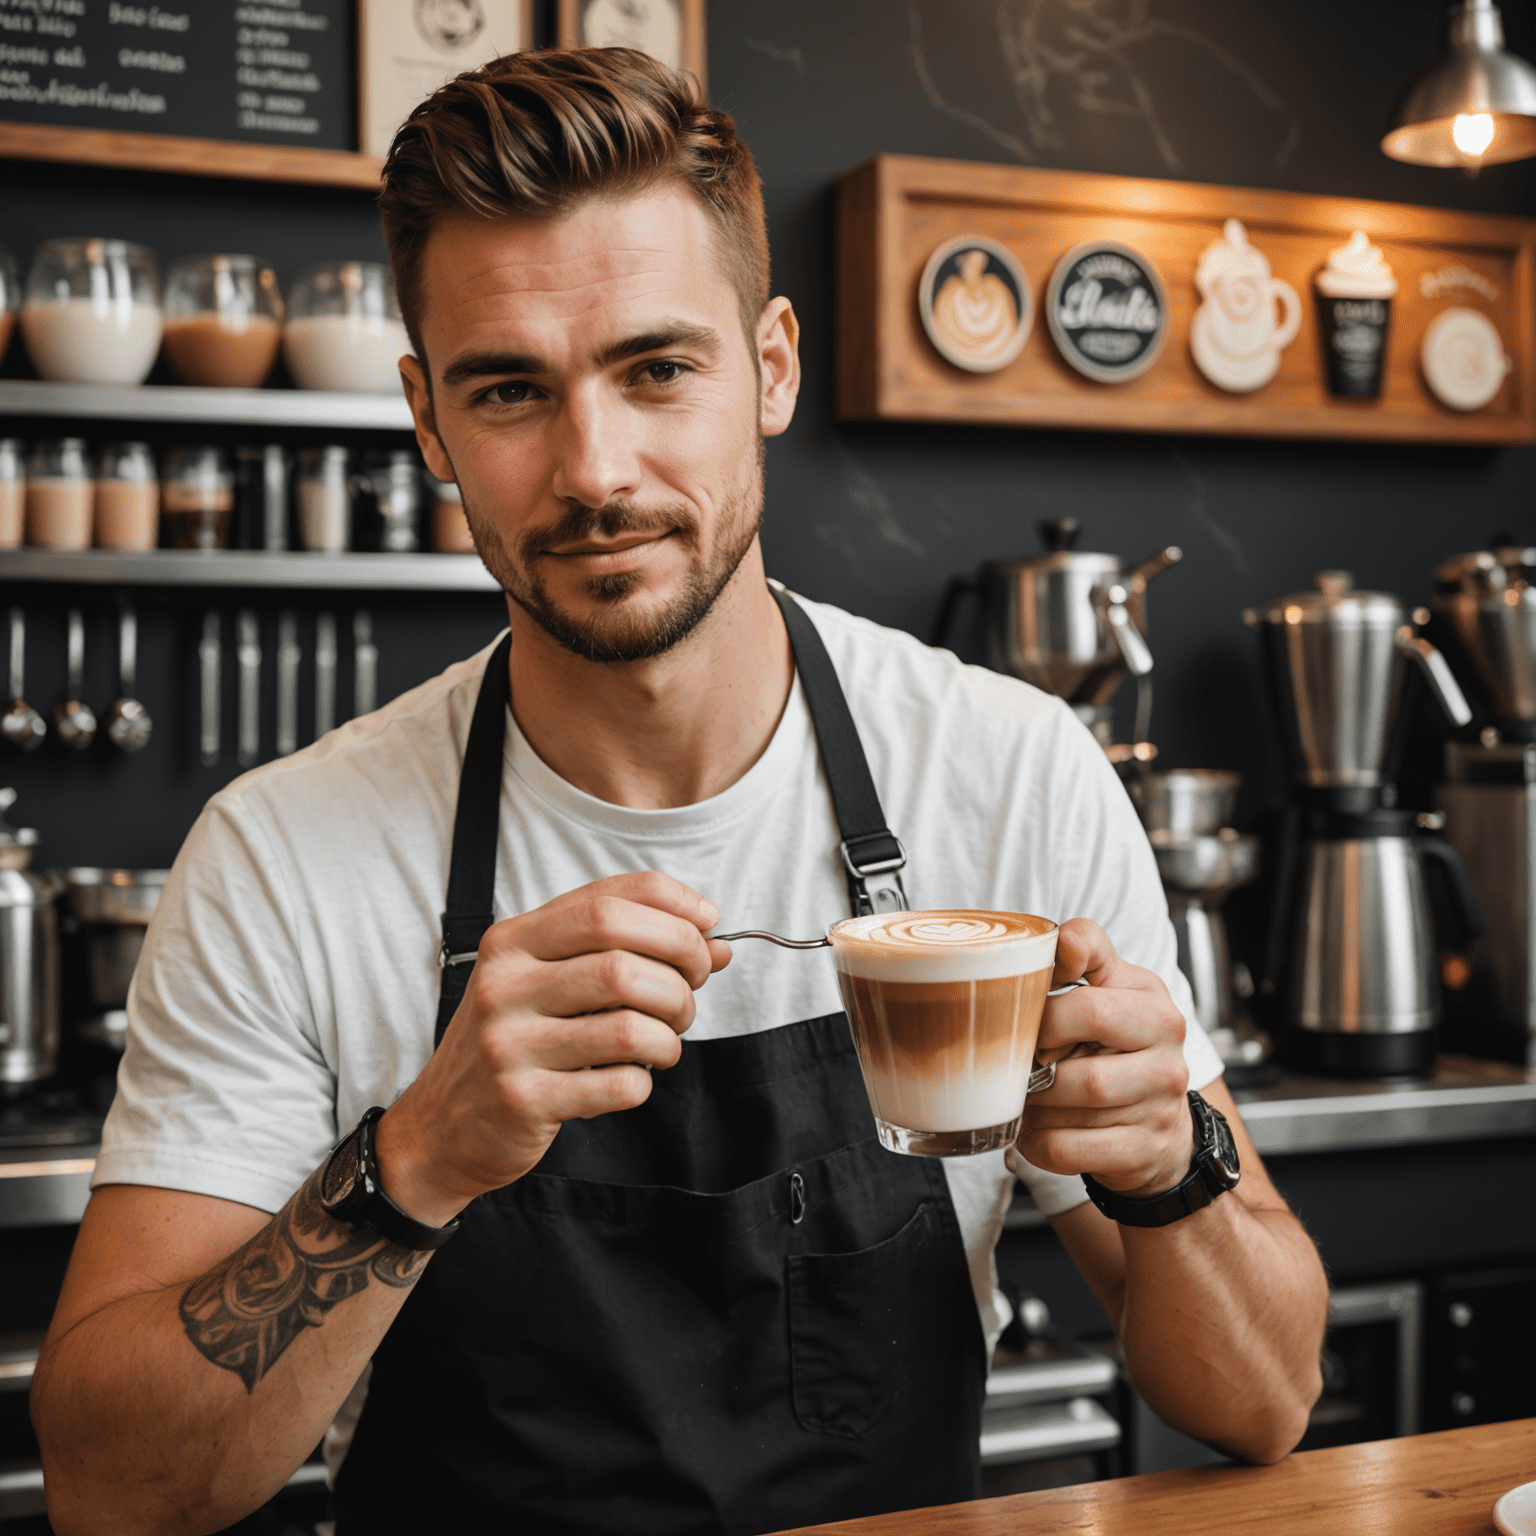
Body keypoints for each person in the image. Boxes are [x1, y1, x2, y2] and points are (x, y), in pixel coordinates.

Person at [32, 47, 1328, 1536]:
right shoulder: (284, 856)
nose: (596, 468)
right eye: (510, 389)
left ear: (770, 366)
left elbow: (1263, 1398)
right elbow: (108, 1489)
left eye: (658, 369)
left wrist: (1172, 1165)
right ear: (428, 422)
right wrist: (413, 1163)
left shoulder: (1009, 772)